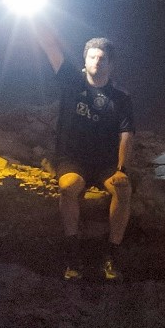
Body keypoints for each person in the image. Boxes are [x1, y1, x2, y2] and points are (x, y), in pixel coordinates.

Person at [30, 21, 135, 280]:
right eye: (92, 56)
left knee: (123, 189)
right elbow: (50, 45)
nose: (96, 62)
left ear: (111, 64)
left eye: (102, 58)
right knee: (69, 187)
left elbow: (126, 134)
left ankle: (112, 254)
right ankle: (72, 251)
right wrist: (34, 16)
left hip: (105, 162)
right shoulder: (71, 81)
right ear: (84, 60)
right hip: (71, 158)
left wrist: (121, 168)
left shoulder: (121, 98)